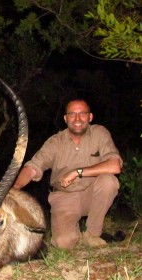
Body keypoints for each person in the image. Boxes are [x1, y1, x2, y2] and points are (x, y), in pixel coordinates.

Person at [13, 99, 122, 249]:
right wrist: (15, 187)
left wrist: (77, 172)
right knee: (64, 243)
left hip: (92, 194)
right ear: (65, 119)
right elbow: (33, 167)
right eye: (72, 114)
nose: (77, 119)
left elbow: (115, 165)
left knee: (109, 181)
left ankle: (93, 233)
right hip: (64, 197)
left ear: (90, 117)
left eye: (82, 114)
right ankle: (74, 234)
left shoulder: (100, 133)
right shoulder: (55, 142)